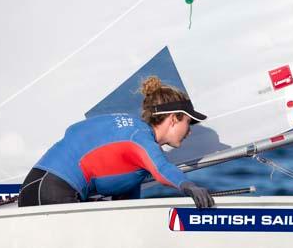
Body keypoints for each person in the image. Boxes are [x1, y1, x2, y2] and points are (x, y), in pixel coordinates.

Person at [18, 76, 215, 209]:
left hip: (37, 187)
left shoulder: (133, 137)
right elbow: (162, 169)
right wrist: (189, 186)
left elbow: (125, 205)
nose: (189, 131)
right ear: (173, 119)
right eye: (188, 122)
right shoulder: (140, 138)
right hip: (54, 192)